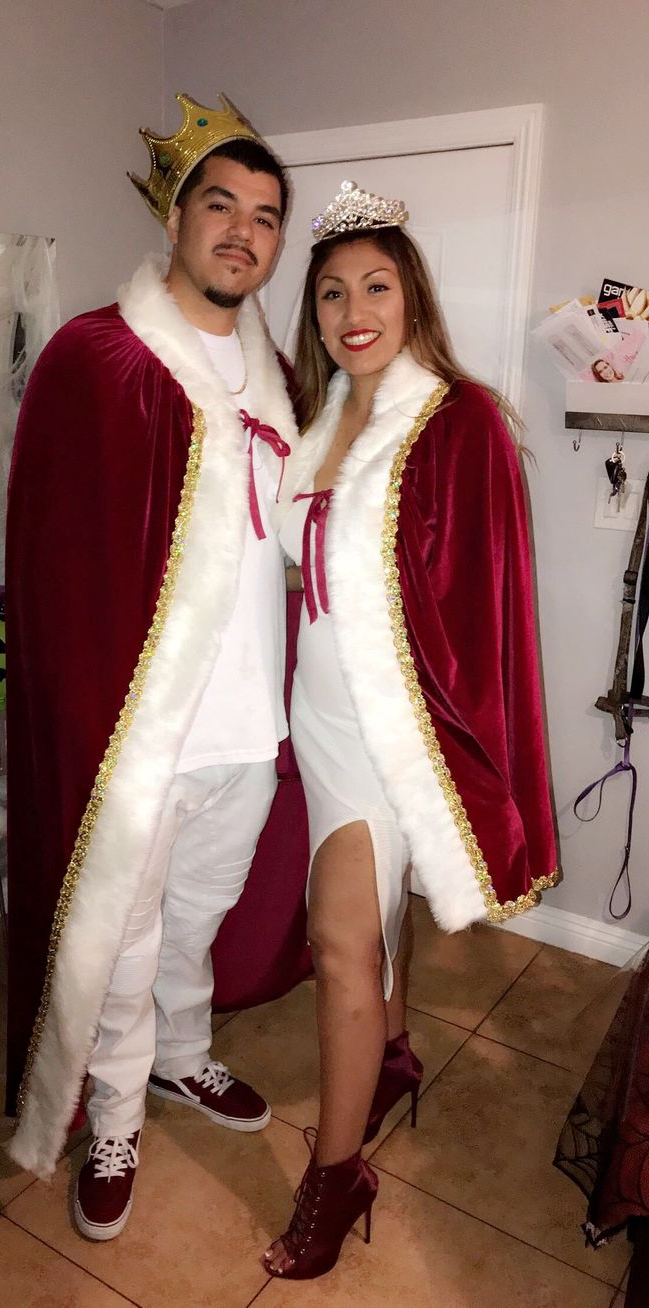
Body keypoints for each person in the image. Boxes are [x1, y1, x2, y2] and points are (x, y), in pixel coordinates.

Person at [5, 93, 308, 1241]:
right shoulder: (100, 355)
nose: (242, 231)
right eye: (220, 206)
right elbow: (60, 565)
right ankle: (116, 1113)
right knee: (123, 934)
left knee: (198, 910)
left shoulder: (273, 368)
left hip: (247, 724)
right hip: (140, 728)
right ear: (176, 219)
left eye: (265, 216)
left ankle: (183, 1055)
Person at [263, 180, 559, 1280]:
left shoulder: (458, 416)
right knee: (370, 919)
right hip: (321, 716)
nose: (354, 308)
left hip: (400, 733)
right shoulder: (322, 413)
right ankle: (389, 1054)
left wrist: (449, 746)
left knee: (341, 938)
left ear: (412, 295)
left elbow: (481, 607)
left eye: (376, 285)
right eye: (333, 289)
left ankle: (338, 1180)